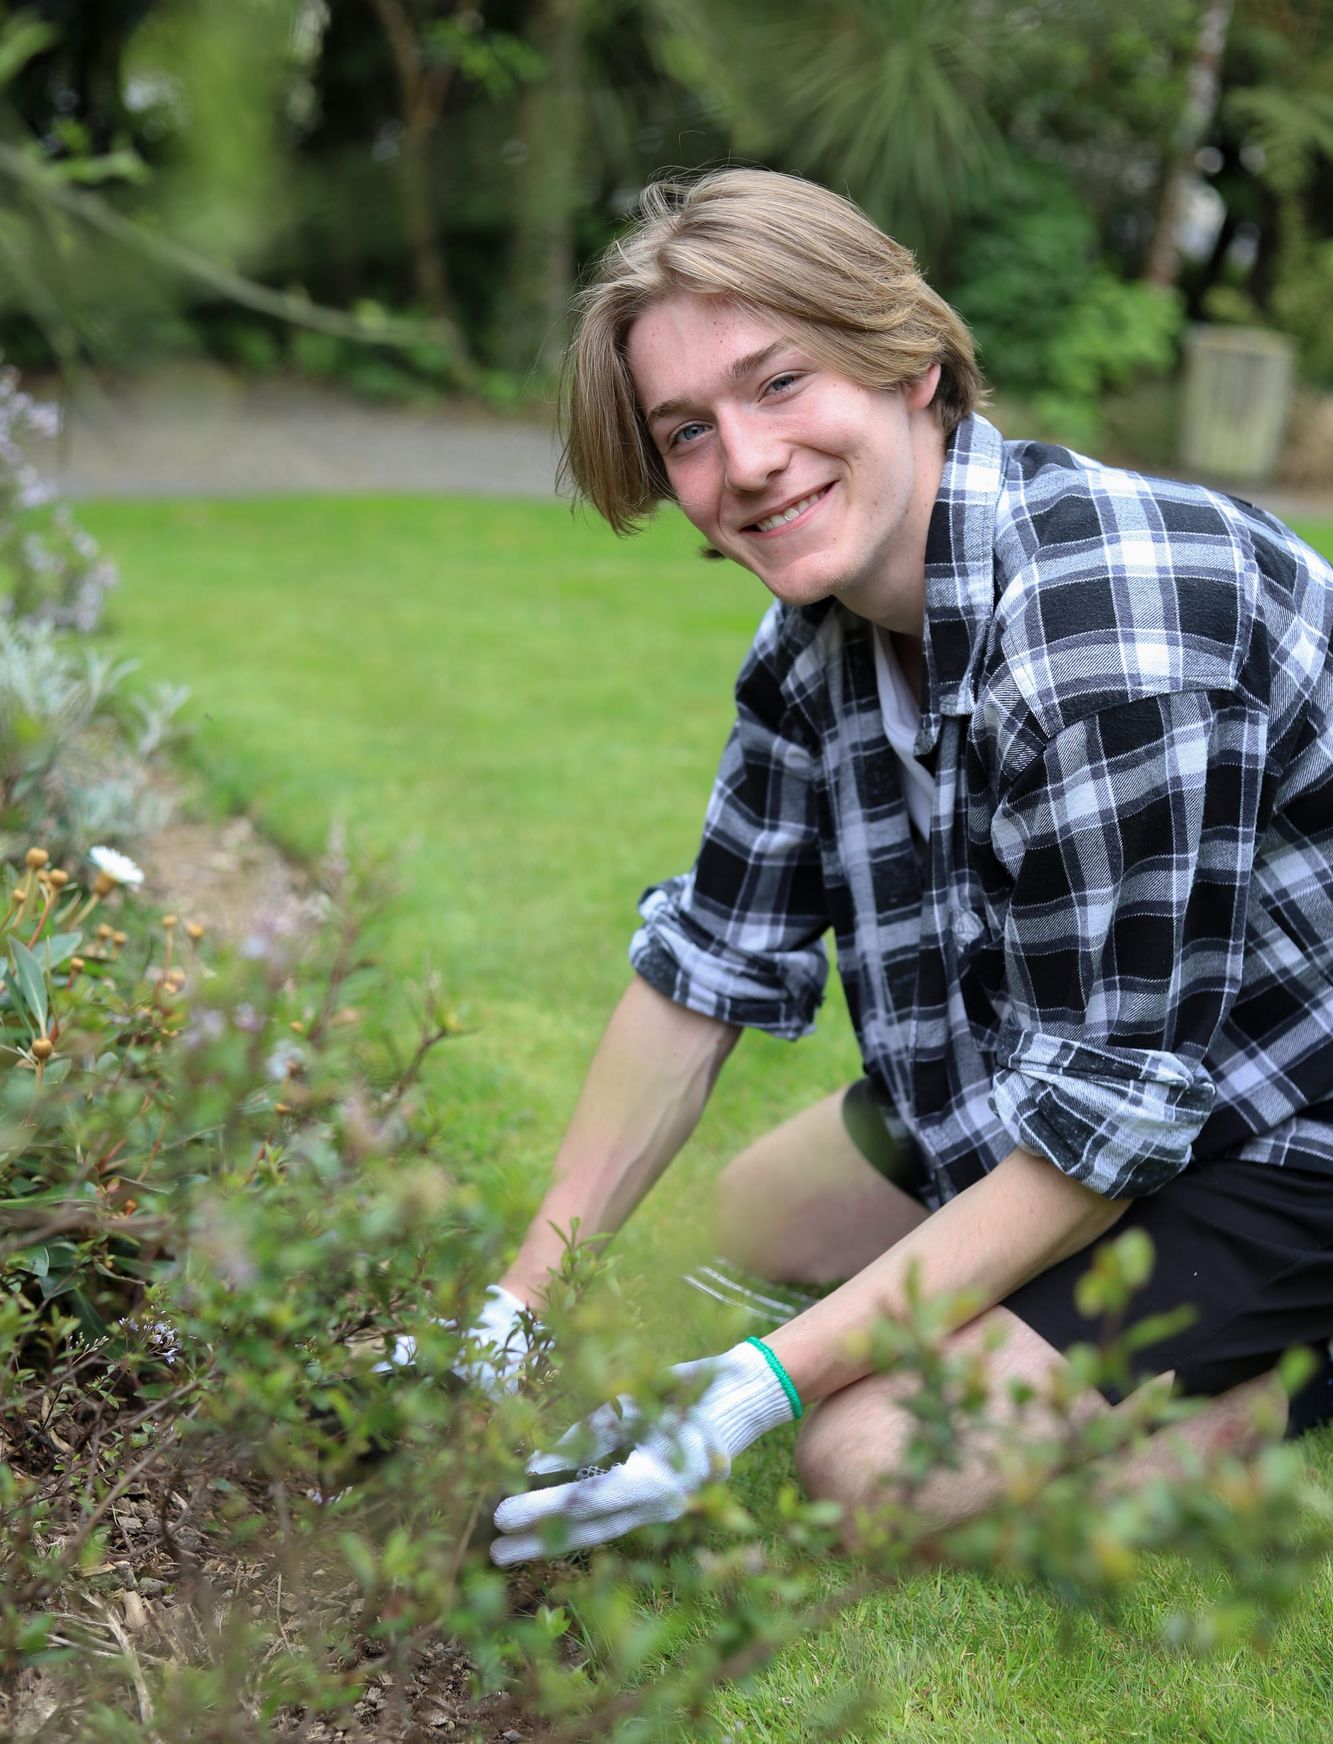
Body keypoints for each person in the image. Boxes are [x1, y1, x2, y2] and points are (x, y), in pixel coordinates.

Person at [463, 168, 1333, 1567]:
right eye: (687, 430)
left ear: (909, 361)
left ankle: (1284, 1371)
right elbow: (705, 970)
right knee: (760, 1213)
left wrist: (757, 1383)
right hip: (1096, 1072)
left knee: (862, 1460)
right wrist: (512, 1314)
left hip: (1288, 1122)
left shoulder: (1099, 637)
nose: (743, 463)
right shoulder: (814, 645)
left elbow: (1102, 1136)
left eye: (779, 383)